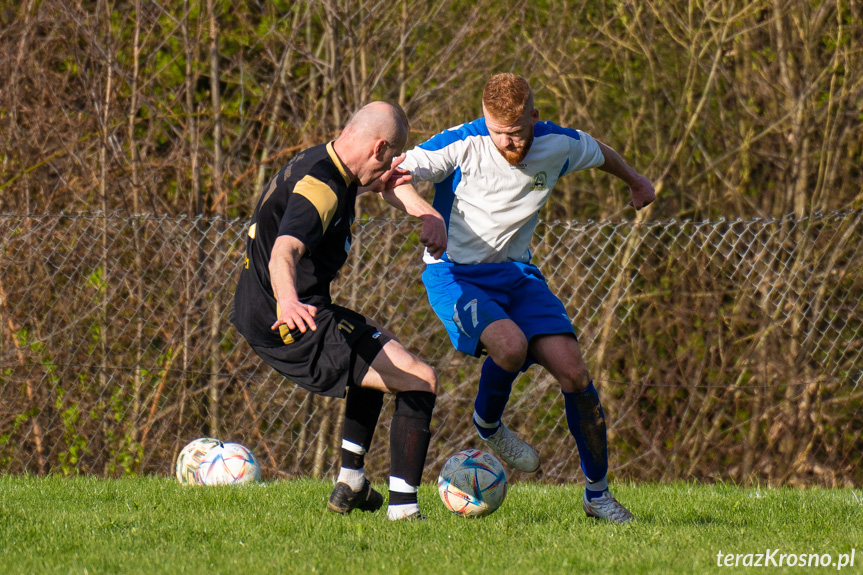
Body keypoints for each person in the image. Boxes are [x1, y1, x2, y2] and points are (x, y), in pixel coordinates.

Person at [397, 73, 656, 524]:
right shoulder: (460, 145)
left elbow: (600, 152)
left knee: (575, 373)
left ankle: (598, 496)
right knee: (510, 345)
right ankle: (488, 425)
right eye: (498, 132)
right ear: (484, 120)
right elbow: (394, 176)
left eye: (516, 133)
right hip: (455, 275)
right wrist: (425, 211)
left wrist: (635, 181)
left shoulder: (557, 143)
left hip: (518, 275)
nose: (508, 142)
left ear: (534, 118)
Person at [232, 101, 447, 521]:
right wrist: (289, 300)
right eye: (390, 155)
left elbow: (388, 182)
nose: (386, 170)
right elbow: (283, 252)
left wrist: (427, 212)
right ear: (379, 146)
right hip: (290, 317)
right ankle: (403, 510)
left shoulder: (330, 162)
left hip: (272, 309)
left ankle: (351, 481)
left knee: (374, 356)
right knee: (419, 379)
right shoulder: (324, 188)